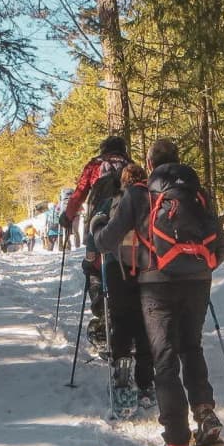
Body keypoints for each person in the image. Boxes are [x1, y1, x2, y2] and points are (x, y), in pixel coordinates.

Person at [93, 138, 224, 446]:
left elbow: (108, 240)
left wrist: (96, 226)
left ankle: (177, 444)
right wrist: (199, 268)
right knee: (192, 347)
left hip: (156, 283)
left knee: (164, 360)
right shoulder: (198, 193)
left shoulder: (141, 194)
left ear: (151, 164)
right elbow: (222, 245)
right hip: (198, 282)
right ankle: (204, 412)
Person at [88, 164, 156, 408]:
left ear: (123, 182)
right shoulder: (155, 200)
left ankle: (122, 365)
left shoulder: (115, 201)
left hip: (117, 269)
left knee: (120, 319)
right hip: (149, 269)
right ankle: (146, 379)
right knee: (145, 322)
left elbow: (101, 238)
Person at [60, 136, 134, 348]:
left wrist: (68, 216)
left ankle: (103, 322)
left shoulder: (94, 166)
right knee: (127, 267)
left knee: (95, 269)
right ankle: (129, 322)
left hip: (97, 224)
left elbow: (79, 193)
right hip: (128, 228)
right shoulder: (130, 166)